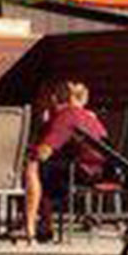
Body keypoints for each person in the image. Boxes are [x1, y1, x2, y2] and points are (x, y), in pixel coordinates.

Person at [23, 81, 108, 242]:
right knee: (45, 169)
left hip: (84, 171)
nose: (38, 102)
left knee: (33, 166)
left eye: (41, 98)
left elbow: (43, 153)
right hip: (99, 168)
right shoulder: (84, 114)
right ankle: (43, 224)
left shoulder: (65, 117)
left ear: (53, 99)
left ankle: (32, 229)